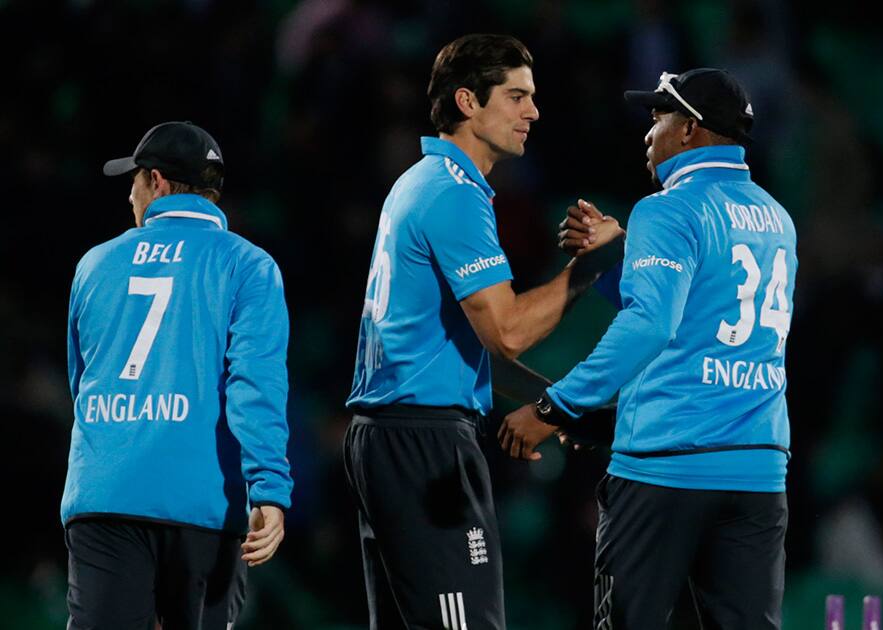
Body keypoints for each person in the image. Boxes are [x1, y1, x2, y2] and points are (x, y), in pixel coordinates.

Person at [501, 68, 797, 628]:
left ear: (689, 130)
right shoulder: (777, 219)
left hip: (666, 469)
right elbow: (697, 318)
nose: (648, 130)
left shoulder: (666, 209)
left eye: (659, 115)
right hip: (757, 474)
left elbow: (650, 324)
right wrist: (621, 257)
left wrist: (554, 408)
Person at [344, 34, 621, 630]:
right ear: (468, 101)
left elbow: (466, 350)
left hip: (391, 438)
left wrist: (556, 407)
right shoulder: (453, 194)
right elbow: (508, 334)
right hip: (426, 447)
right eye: (517, 96)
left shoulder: (419, 183)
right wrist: (592, 268)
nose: (533, 112)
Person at [62, 121, 293, 630]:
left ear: (158, 182)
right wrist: (270, 490)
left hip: (107, 496)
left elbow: (81, 382)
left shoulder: (94, 265)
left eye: (135, 179)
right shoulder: (250, 266)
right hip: (204, 503)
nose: (129, 193)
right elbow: (255, 387)